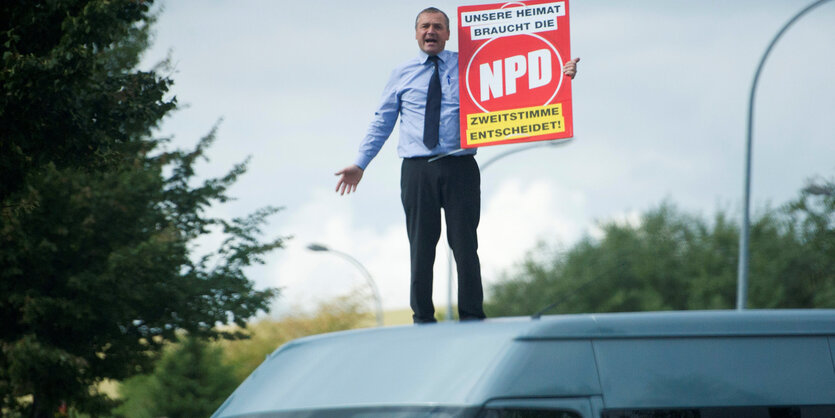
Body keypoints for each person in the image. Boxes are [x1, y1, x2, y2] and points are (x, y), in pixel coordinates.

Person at [335, 7, 579, 323]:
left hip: (460, 167)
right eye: (424, 26)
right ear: (416, 33)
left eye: (437, 26)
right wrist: (360, 163)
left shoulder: (474, 66)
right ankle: (422, 317)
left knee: (465, 245)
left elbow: (522, 85)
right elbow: (382, 121)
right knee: (421, 246)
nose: (430, 32)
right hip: (417, 169)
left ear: (449, 34)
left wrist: (562, 73)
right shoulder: (402, 73)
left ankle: (472, 315)